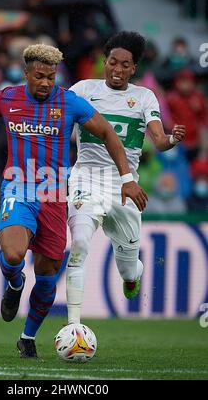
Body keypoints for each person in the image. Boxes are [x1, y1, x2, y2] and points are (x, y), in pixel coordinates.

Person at [0, 44, 146, 358]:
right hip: (19, 188)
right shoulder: (8, 98)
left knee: (47, 274)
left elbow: (109, 133)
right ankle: (14, 284)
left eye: (51, 77)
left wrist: (127, 178)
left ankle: (27, 337)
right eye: (39, 76)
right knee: (13, 254)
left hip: (55, 196)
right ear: (25, 73)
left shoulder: (69, 102)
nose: (45, 83)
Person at [66, 31, 185, 324]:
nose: (117, 70)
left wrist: (172, 139)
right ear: (104, 62)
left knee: (128, 270)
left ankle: (133, 274)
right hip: (86, 179)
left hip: (125, 186)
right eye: (112, 62)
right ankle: (73, 327)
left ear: (134, 68)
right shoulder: (82, 89)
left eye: (125, 65)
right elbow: (58, 122)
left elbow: (158, 140)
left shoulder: (144, 97)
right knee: (79, 244)